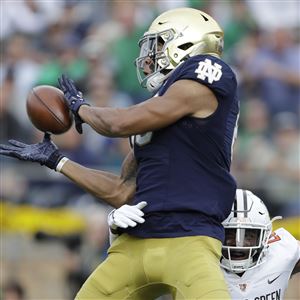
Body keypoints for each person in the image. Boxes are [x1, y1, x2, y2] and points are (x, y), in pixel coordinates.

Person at [0, 7, 239, 299]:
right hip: (135, 243)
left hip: (191, 240)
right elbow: (121, 191)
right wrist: (58, 161)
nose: (150, 57)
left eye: (159, 44)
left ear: (186, 43)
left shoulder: (208, 74)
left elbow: (118, 123)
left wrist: (81, 108)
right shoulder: (159, 113)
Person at [108, 189, 300, 300]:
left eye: (248, 235)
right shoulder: (193, 257)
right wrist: (117, 232)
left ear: (266, 236)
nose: (238, 245)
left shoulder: (283, 251)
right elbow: (131, 268)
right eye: (230, 234)